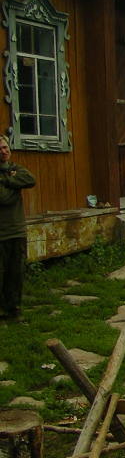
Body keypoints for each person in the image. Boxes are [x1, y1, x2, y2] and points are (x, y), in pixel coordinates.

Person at [0, 136, 35, 320]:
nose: (3, 151)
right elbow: (3, 198)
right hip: (1, 232)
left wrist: (8, 182)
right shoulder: (8, 172)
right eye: (0, 149)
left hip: (17, 230)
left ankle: (15, 310)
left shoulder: (12, 167)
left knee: (16, 273)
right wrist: (15, 185)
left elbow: (30, 179)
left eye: (5, 147)